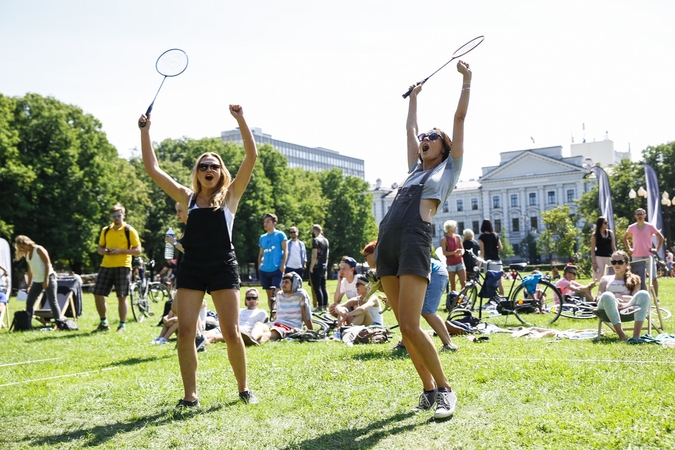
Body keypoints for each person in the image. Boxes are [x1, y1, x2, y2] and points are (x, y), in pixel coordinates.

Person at [139, 104, 258, 407]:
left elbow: (251, 157)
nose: (208, 170)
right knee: (186, 333)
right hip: (191, 268)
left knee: (231, 332)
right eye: (203, 166)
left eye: (213, 166)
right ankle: (190, 396)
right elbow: (153, 169)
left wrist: (241, 119)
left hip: (222, 267)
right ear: (197, 172)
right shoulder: (187, 198)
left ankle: (244, 389)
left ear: (221, 173)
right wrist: (145, 132)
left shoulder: (231, 196)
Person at [373, 60, 471, 420]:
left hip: (415, 239)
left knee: (413, 324)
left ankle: (445, 389)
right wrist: (414, 97)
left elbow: (458, 121)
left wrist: (466, 81)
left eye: (433, 137)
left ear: (444, 147)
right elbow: (410, 128)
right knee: (405, 326)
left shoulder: (450, 168)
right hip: (388, 242)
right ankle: (428, 391)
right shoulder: (413, 169)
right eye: (423, 138)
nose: (424, 139)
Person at [92, 204, 142, 332]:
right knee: (97, 293)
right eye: (114, 216)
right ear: (110, 217)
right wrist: (105, 251)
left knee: (121, 296)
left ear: (123, 215)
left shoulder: (129, 230)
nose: (116, 218)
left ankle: (122, 325)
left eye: (119, 215)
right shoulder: (106, 230)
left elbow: (138, 250)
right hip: (106, 265)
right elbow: (99, 248)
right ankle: (103, 323)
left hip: (123, 266)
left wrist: (120, 251)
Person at [596, 250, 651, 342]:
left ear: (627, 264)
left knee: (644, 294)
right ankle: (622, 336)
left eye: (620, 262)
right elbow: (599, 298)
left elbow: (635, 298)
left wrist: (618, 297)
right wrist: (613, 299)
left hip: (627, 309)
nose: (617, 264)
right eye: (614, 262)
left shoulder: (635, 279)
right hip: (606, 309)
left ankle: (635, 337)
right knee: (607, 295)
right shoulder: (605, 279)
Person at [13, 236, 63, 323]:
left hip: (49, 277)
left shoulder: (39, 249)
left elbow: (47, 263)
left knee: (52, 301)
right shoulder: (28, 254)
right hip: (37, 280)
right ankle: (27, 324)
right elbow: (30, 271)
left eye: (22, 247)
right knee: (30, 301)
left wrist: (46, 279)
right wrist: (29, 285)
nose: (22, 249)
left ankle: (59, 323)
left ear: (27, 243)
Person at [623, 208, 664, 297]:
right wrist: (629, 248)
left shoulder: (650, 227)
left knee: (653, 277)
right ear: (635, 216)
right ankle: (645, 296)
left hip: (648, 256)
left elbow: (661, 237)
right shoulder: (631, 227)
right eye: (638, 214)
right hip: (636, 256)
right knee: (639, 279)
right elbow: (625, 238)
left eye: (641, 214)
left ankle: (656, 297)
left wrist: (656, 249)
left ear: (645, 215)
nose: (640, 215)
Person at [267, 272, 313, 340]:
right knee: (259, 325)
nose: (283, 284)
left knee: (269, 334)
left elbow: (306, 316)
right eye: (283, 282)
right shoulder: (279, 294)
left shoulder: (300, 296)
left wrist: (312, 332)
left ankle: (254, 340)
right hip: (276, 324)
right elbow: (277, 313)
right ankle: (250, 339)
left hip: (289, 327)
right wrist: (273, 322)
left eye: (286, 282)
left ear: (294, 283)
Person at [258, 213, 287, 312]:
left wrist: (282, 265)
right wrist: (259, 265)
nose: (265, 224)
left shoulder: (280, 235)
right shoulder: (262, 237)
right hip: (265, 270)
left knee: (277, 294)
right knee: (269, 295)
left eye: (268, 222)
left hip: (276, 269)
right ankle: (272, 314)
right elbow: (261, 254)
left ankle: (278, 315)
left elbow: (286, 251)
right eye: (264, 222)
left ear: (274, 223)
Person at [478, 219, 504, 295]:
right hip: (497, 261)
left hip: (489, 262)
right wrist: (494, 246)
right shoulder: (495, 235)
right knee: (499, 282)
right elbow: (501, 247)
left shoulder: (482, 237)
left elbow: (482, 252)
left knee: (490, 282)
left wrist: (478, 263)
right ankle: (501, 298)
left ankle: (492, 298)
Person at [309, 224, 329, 311]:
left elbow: (314, 256)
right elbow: (327, 255)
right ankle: (325, 305)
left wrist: (311, 267)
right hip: (324, 265)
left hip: (317, 266)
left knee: (317, 287)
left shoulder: (315, 240)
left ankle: (320, 306)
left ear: (314, 230)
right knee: (323, 287)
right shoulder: (326, 240)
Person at [441, 220, 465, 291]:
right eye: (455, 227)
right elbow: (444, 252)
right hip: (451, 264)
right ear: (451, 228)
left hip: (460, 262)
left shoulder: (458, 237)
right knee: (453, 284)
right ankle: (453, 300)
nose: (456, 228)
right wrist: (455, 252)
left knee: (463, 283)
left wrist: (461, 253)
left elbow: (462, 249)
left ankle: (463, 300)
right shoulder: (444, 239)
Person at [590, 216, 616, 281]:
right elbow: (593, 249)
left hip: (609, 257)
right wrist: (594, 263)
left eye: (607, 223)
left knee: (610, 276)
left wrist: (616, 257)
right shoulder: (595, 235)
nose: (607, 224)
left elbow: (613, 247)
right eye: (605, 223)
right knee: (601, 278)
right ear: (600, 224)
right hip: (599, 258)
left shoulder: (610, 233)